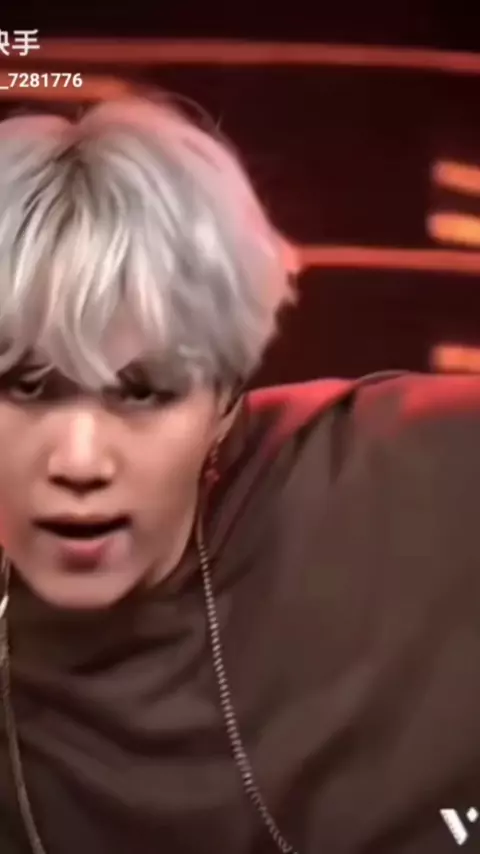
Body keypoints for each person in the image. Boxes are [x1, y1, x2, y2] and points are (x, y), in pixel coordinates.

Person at [0, 93, 479, 854]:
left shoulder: (403, 474)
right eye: (26, 387)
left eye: (143, 392)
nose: (80, 461)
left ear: (225, 397)